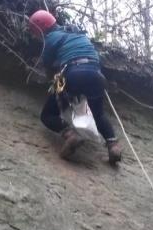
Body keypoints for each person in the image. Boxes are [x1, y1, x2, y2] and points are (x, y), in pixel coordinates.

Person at [28, 10, 123, 164]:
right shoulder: (79, 34)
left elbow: (49, 68)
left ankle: (70, 135)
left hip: (71, 75)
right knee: (98, 114)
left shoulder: (50, 39)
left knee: (48, 115)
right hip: (97, 76)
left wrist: (53, 82)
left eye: (36, 33)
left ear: (40, 30)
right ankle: (113, 145)